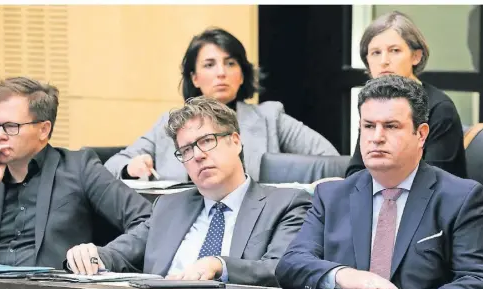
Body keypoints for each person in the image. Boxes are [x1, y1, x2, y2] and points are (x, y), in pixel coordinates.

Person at [275, 75, 483, 289]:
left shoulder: (462, 198)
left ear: (421, 134)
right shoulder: (332, 196)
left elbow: (479, 283)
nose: (377, 137)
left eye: (391, 126)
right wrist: (344, 276)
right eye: (368, 126)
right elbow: (292, 264)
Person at [66, 96, 311, 287]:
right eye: (186, 150)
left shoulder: (286, 204)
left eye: (206, 141)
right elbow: (119, 254)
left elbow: (283, 268)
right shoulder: (169, 206)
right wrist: (91, 255)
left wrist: (220, 265)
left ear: (235, 141)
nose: (198, 156)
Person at [0, 77, 152, 269]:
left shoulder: (79, 168)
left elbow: (147, 221)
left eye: (11, 127)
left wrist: (104, 256)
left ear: (43, 130)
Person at [105, 27, 338, 182]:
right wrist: (130, 168)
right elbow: (112, 165)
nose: (221, 73)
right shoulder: (169, 124)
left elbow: (329, 161)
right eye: (209, 65)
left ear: (243, 74)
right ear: (194, 78)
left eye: (230, 63)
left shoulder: (270, 117)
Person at [345, 11, 466, 179]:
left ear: (416, 56)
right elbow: (355, 172)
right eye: (375, 53)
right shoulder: (372, 106)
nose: (384, 61)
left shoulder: (440, 108)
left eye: (394, 51)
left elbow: (437, 181)